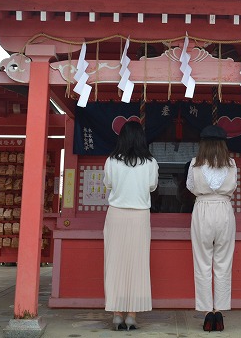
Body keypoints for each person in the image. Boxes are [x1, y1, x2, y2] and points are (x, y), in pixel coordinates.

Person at [103, 120, 159, 331]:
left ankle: (117, 314)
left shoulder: (111, 161)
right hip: (140, 216)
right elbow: (152, 186)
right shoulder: (150, 162)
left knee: (115, 262)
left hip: (116, 215)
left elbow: (108, 184)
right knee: (138, 264)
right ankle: (132, 316)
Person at [186, 125, 237, 332]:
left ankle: (207, 314)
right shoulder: (232, 164)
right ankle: (220, 313)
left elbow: (190, 186)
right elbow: (233, 187)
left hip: (202, 209)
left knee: (202, 261)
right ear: (223, 144)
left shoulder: (195, 164)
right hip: (224, 209)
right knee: (224, 262)